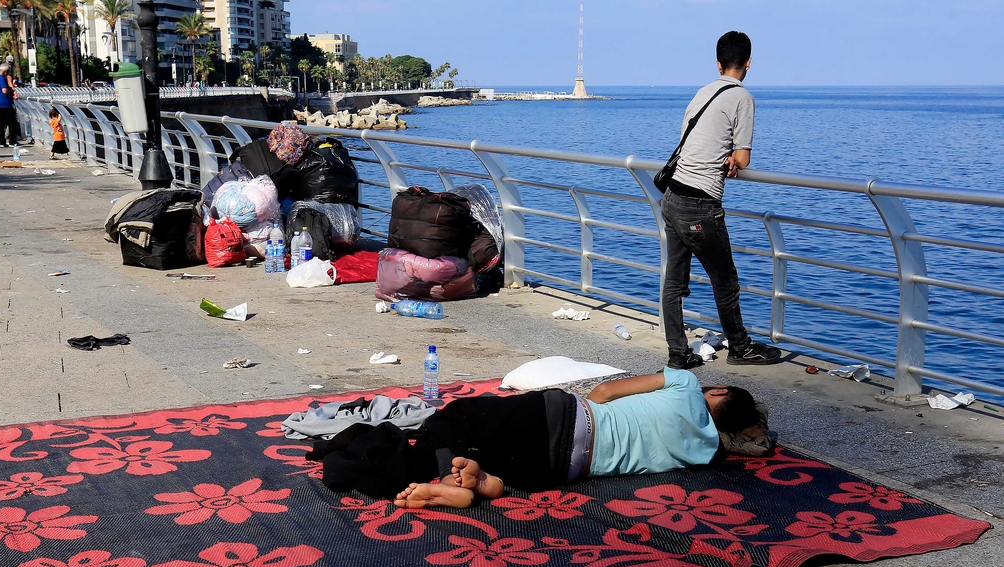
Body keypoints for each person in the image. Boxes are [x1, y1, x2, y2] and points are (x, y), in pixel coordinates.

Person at [308, 371, 759, 510]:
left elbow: (602, 394)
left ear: (716, 393)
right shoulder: (707, 450)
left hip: (565, 419)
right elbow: (752, 443)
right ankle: (483, 477)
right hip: (560, 471)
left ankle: (454, 468)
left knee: (460, 415)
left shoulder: (685, 383)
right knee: (476, 446)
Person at [660, 31, 782, 370]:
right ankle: (741, 347)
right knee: (725, 280)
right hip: (699, 203)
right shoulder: (742, 98)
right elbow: (742, 159)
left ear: (718, 63)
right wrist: (733, 157)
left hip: (673, 194)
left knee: (674, 281)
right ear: (749, 63)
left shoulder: (703, 92)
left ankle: (678, 353)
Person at [0, 63, 20, 148]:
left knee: (0, 124)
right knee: (12, 123)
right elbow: (4, 90)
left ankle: (2, 142)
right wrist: (11, 90)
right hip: (5, 103)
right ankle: (12, 141)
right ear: (6, 71)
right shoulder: (2, 78)